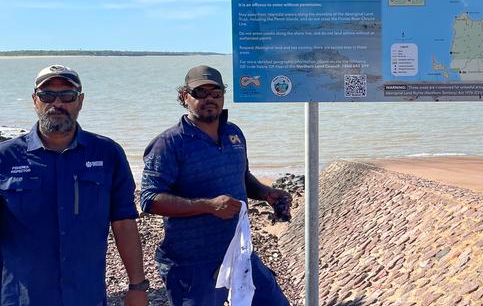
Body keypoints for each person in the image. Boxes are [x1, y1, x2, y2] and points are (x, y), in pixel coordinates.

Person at [140, 65, 291, 305]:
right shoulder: (168, 143)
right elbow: (149, 199)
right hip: (191, 263)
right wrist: (208, 206)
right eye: (200, 92)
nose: (209, 98)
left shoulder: (234, 134)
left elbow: (242, 176)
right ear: (184, 97)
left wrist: (266, 193)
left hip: (239, 252)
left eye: (216, 92)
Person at [0, 65, 148, 306]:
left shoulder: (108, 153)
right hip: (22, 298)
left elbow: (124, 222)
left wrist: (137, 286)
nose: (56, 103)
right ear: (34, 101)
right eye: (47, 95)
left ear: (80, 101)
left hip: (85, 295)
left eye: (67, 95)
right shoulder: (6, 157)